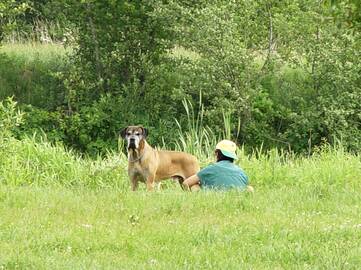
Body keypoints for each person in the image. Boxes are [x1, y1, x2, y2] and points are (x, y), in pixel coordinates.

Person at [183, 139, 254, 192]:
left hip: (211, 199)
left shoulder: (210, 168)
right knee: (249, 188)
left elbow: (186, 183)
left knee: (195, 186)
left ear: (217, 154)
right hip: (236, 198)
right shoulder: (241, 172)